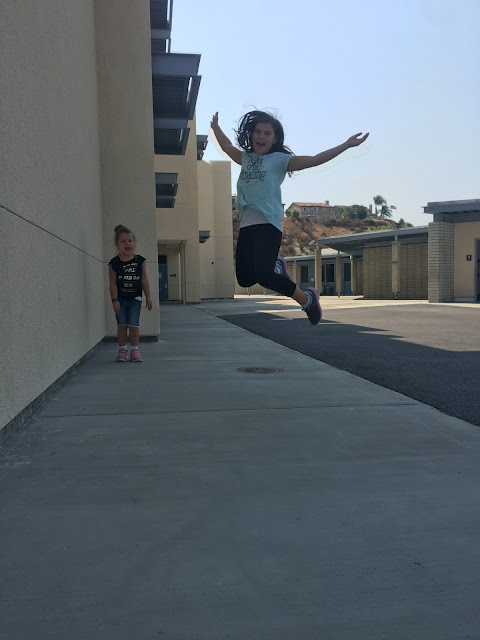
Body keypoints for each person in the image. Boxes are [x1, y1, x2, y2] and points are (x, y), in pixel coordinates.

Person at [210, 110, 369, 324]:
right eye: (258, 132)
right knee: (244, 279)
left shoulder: (280, 160)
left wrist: (345, 145)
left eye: (267, 133)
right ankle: (276, 266)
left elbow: (315, 160)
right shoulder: (246, 158)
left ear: (275, 139)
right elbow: (227, 147)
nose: (261, 136)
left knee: (264, 276)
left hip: (268, 224)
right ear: (252, 134)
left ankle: (307, 300)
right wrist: (216, 128)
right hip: (247, 225)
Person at [108, 224, 153, 362]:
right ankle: (122, 349)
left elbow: (144, 279)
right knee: (122, 325)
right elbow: (112, 283)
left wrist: (148, 296)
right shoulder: (114, 263)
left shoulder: (140, 261)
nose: (127, 243)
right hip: (120, 300)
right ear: (117, 244)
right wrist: (114, 300)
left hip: (135, 299)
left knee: (134, 325)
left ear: (134, 243)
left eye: (130, 241)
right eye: (123, 241)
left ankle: (134, 350)